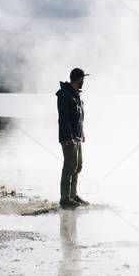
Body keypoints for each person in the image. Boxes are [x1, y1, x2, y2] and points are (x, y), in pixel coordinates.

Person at [57, 67, 89, 208]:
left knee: (78, 166)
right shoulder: (64, 94)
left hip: (77, 136)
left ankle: (73, 196)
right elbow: (64, 119)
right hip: (68, 137)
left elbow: (78, 117)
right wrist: (69, 137)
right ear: (78, 79)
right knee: (69, 166)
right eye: (83, 78)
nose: (84, 81)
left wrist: (81, 133)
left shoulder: (76, 94)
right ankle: (65, 199)